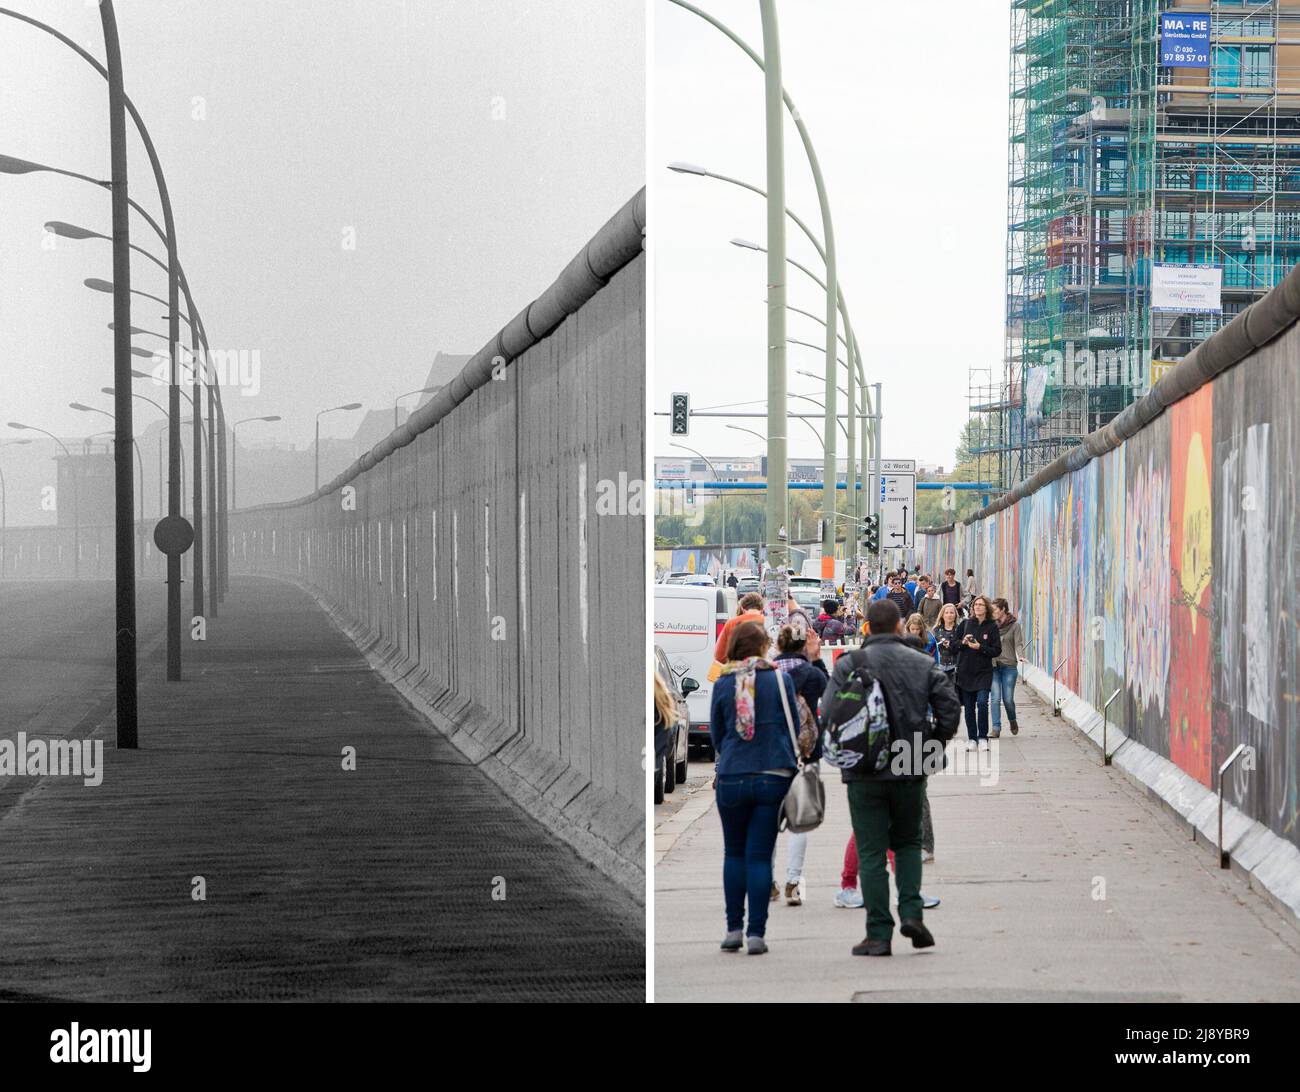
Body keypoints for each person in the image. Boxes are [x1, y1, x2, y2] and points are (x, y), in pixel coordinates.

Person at [820, 599, 961, 956]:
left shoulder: (849, 664)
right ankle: (912, 912)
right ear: (900, 627)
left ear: (866, 627)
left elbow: (828, 712)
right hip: (911, 761)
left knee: (871, 851)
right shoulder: (922, 662)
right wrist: (932, 743)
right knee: (908, 842)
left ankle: (878, 934)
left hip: (864, 767)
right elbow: (949, 709)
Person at [710, 620, 800, 955]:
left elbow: (718, 736)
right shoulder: (780, 679)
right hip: (772, 775)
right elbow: (794, 722)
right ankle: (756, 935)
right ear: (764, 647)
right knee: (760, 856)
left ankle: (733, 928)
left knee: (733, 853)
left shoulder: (722, 684)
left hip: (733, 775)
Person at [771, 617, 826, 907]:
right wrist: (816, 660)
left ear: (779, 644)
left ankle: (768, 882)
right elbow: (829, 694)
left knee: (768, 821)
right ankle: (793, 881)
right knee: (798, 822)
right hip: (806, 755)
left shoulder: (767, 674)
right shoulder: (812, 674)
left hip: (771, 755)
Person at [955, 595, 1001, 750]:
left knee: (982, 703)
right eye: (976, 605)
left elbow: (996, 650)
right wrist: (964, 642)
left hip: (983, 671)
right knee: (968, 707)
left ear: (986, 608)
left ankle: (982, 737)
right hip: (965, 671)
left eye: (981, 605)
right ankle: (972, 739)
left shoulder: (992, 627)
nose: (978, 607)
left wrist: (980, 647)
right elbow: (954, 645)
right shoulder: (966, 624)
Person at [990, 597, 1023, 738]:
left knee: (1008, 699)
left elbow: (1018, 643)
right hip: (993, 666)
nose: (993, 612)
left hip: (1009, 666)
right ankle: (996, 728)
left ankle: (1012, 720)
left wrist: (1020, 655)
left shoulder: (1015, 626)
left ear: (1003, 609)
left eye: (995, 610)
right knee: (995, 698)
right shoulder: (990, 625)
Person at [713, 592, 764, 665]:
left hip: (737, 670)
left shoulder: (731, 623)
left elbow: (719, 656)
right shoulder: (767, 622)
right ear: (762, 609)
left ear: (742, 609)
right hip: (762, 669)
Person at [932, 603, 961, 682]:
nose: (949, 615)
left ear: (955, 615)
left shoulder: (960, 629)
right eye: (946, 613)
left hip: (955, 668)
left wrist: (951, 646)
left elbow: (962, 648)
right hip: (939, 667)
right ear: (942, 615)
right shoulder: (936, 630)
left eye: (952, 613)